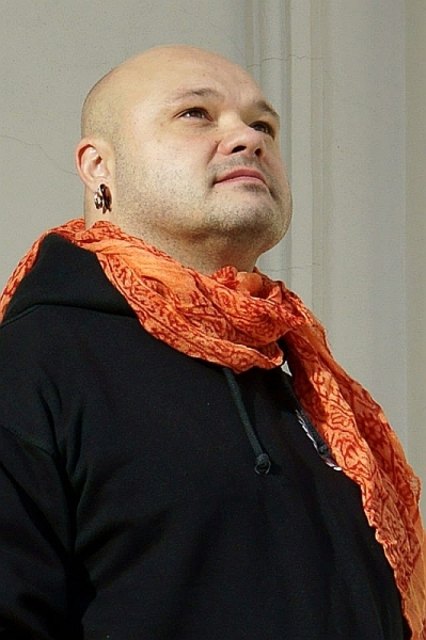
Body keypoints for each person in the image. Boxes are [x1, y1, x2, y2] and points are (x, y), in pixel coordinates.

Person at [0, 44, 424, 640]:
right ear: (99, 167)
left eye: (264, 126)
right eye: (196, 114)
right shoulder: (29, 365)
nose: (248, 139)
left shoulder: (303, 381)